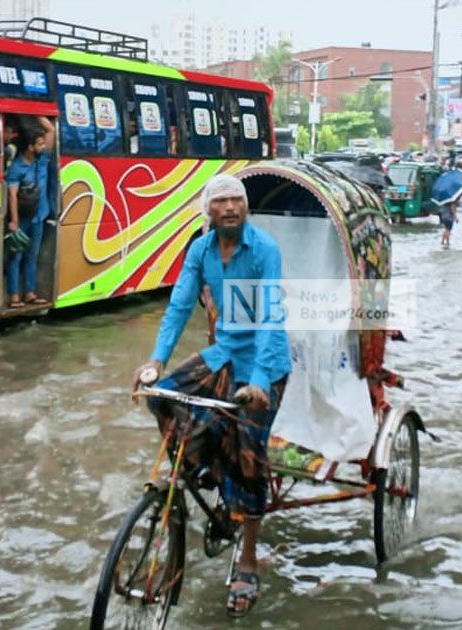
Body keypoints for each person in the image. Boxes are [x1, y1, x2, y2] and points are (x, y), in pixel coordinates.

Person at [133, 174, 290, 617]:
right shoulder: (200, 251)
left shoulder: (263, 250)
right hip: (223, 354)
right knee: (160, 396)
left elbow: (271, 318)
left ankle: (248, 556)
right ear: (208, 212)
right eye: (220, 202)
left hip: (265, 363)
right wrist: (156, 362)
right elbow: (180, 306)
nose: (229, 208)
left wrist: (259, 379)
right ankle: (204, 459)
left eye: (236, 201)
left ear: (245, 209)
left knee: (248, 451)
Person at [5, 116, 56, 308]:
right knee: (16, 256)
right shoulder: (17, 167)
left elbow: (51, 130)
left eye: (43, 143)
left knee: (32, 256)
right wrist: (14, 221)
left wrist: (36, 114)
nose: (43, 146)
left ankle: (30, 293)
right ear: (30, 147)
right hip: (22, 219)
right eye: (39, 144)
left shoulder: (41, 160)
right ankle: (13, 295)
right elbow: (12, 194)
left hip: (40, 216)